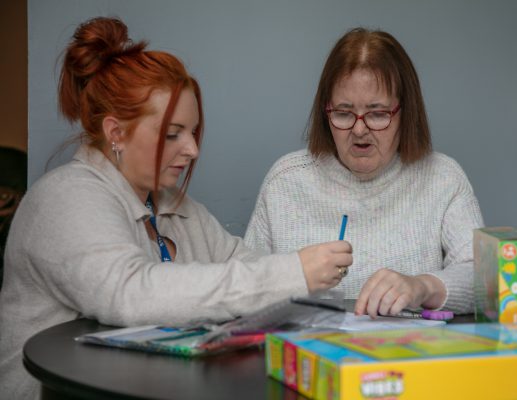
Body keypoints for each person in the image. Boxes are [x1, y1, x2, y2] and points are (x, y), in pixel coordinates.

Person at [0, 17, 352, 399]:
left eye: (193, 132)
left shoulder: (175, 206)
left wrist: (304, 283)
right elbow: (131, 293)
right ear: (116, 133)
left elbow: (241, 265)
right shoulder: (64, 199)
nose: (193, 149)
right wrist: (292, 272)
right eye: (173, 134)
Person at [245, 28, 483, 319]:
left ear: (406, 113)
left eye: (378, 114)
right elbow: (247, 288)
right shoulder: (285, 182)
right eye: (344, 113)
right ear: (325, 112)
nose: (359, 130)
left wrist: (423, 286)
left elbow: (484, 281)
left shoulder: (443, 178)